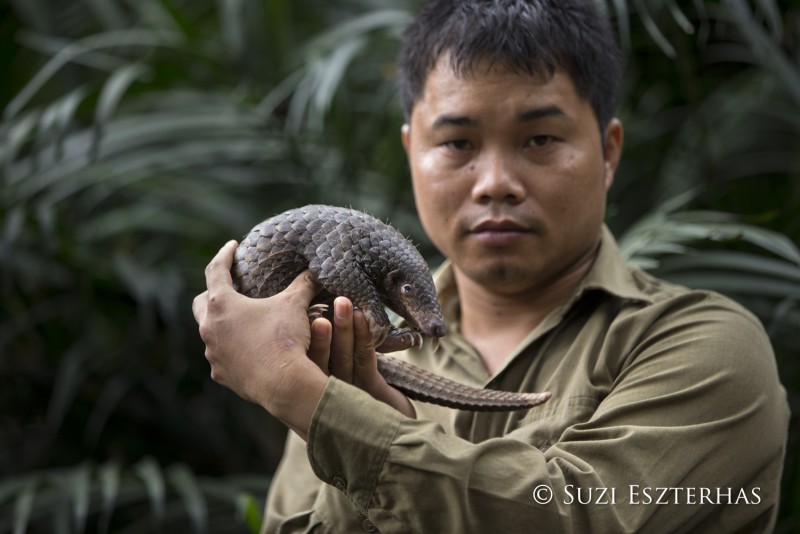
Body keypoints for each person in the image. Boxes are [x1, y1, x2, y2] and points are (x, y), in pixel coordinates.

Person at [192, 0, 790, 532]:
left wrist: (296, 391)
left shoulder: (704, 346)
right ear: (411, 153)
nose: (495, 184)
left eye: (540, 140)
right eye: (457, 144)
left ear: (608, 152)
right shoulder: (342, 345)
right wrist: (349, 408)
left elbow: (586, 517)